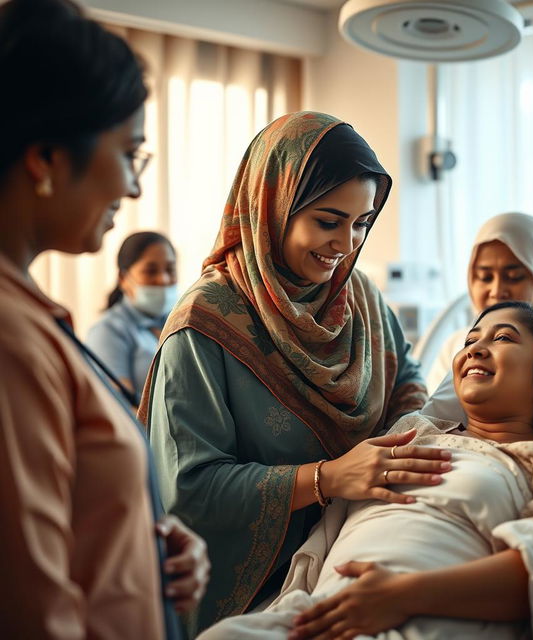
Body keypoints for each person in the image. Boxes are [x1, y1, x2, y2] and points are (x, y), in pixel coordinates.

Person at [140, 111, 452, 635]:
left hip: (353, 551)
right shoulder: (206, 325)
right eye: (328, 221)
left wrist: (407, 434)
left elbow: (405, 373)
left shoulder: (357, 298)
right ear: (272, 207)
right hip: (250, 592)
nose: (347, 244)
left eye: (362, 223)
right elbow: (187, 489)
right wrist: (327, 479)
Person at [200, 301, 533, 640]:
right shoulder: (413, 431)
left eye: (503, 338)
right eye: (470, 340)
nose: (476, 349)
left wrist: (401, 595)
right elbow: (333, 530)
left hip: (441, 616)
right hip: (323, 613)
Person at [0, 0, 209, 637]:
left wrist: (146, 544)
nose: (135, 189)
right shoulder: (10, 339)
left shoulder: (33, 318)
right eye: (129, 156)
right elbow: (33, 606)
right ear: (47, 159)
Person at [427, 212, 533, 394]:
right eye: (485, 277)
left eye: (513, 277)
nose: (496, 291)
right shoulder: (456, 348)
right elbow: (434, 411)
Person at [87, 231, 178, 404]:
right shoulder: (107, 332)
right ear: (123, 278)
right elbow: (119, 406)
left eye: (170, 270)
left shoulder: (181, 321)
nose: (164, 279)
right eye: (150, 272)